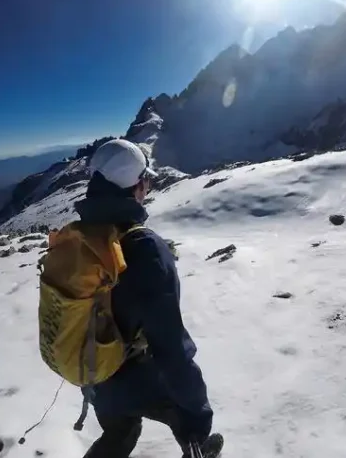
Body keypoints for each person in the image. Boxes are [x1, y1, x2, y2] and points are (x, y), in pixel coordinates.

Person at [74, 139, 219, 458]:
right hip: (131, 376)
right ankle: (198, 448)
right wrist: (199, 414)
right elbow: (172, 351)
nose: (148, 186)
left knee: (120, 430)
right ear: (137, 184)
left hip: (92, 375)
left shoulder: (80, 234)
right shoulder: (144, 249)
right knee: (186, 420)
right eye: (146, 179)